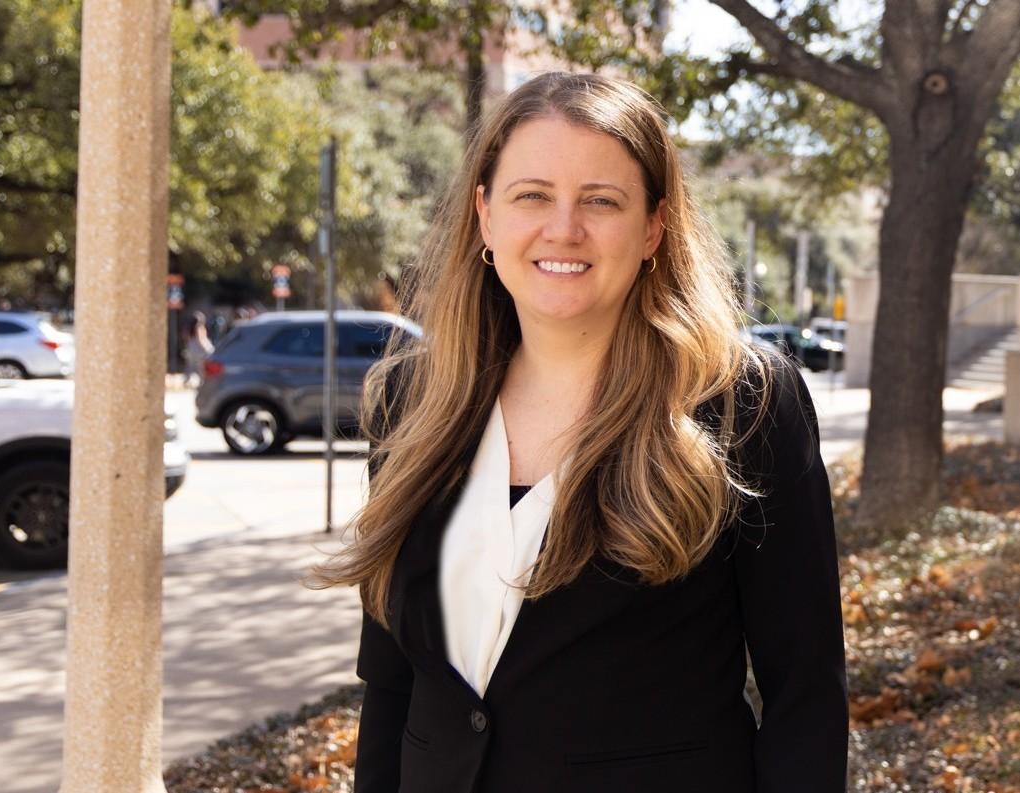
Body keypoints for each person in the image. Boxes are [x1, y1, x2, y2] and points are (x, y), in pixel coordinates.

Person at [311, 72, 847, 792]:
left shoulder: (739, 401)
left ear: (654, 225)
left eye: (600, 200)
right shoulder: (411, 399)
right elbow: (392, 678)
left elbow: (804, 692)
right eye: (532, 195)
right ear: (484, 216)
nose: (563, 228)